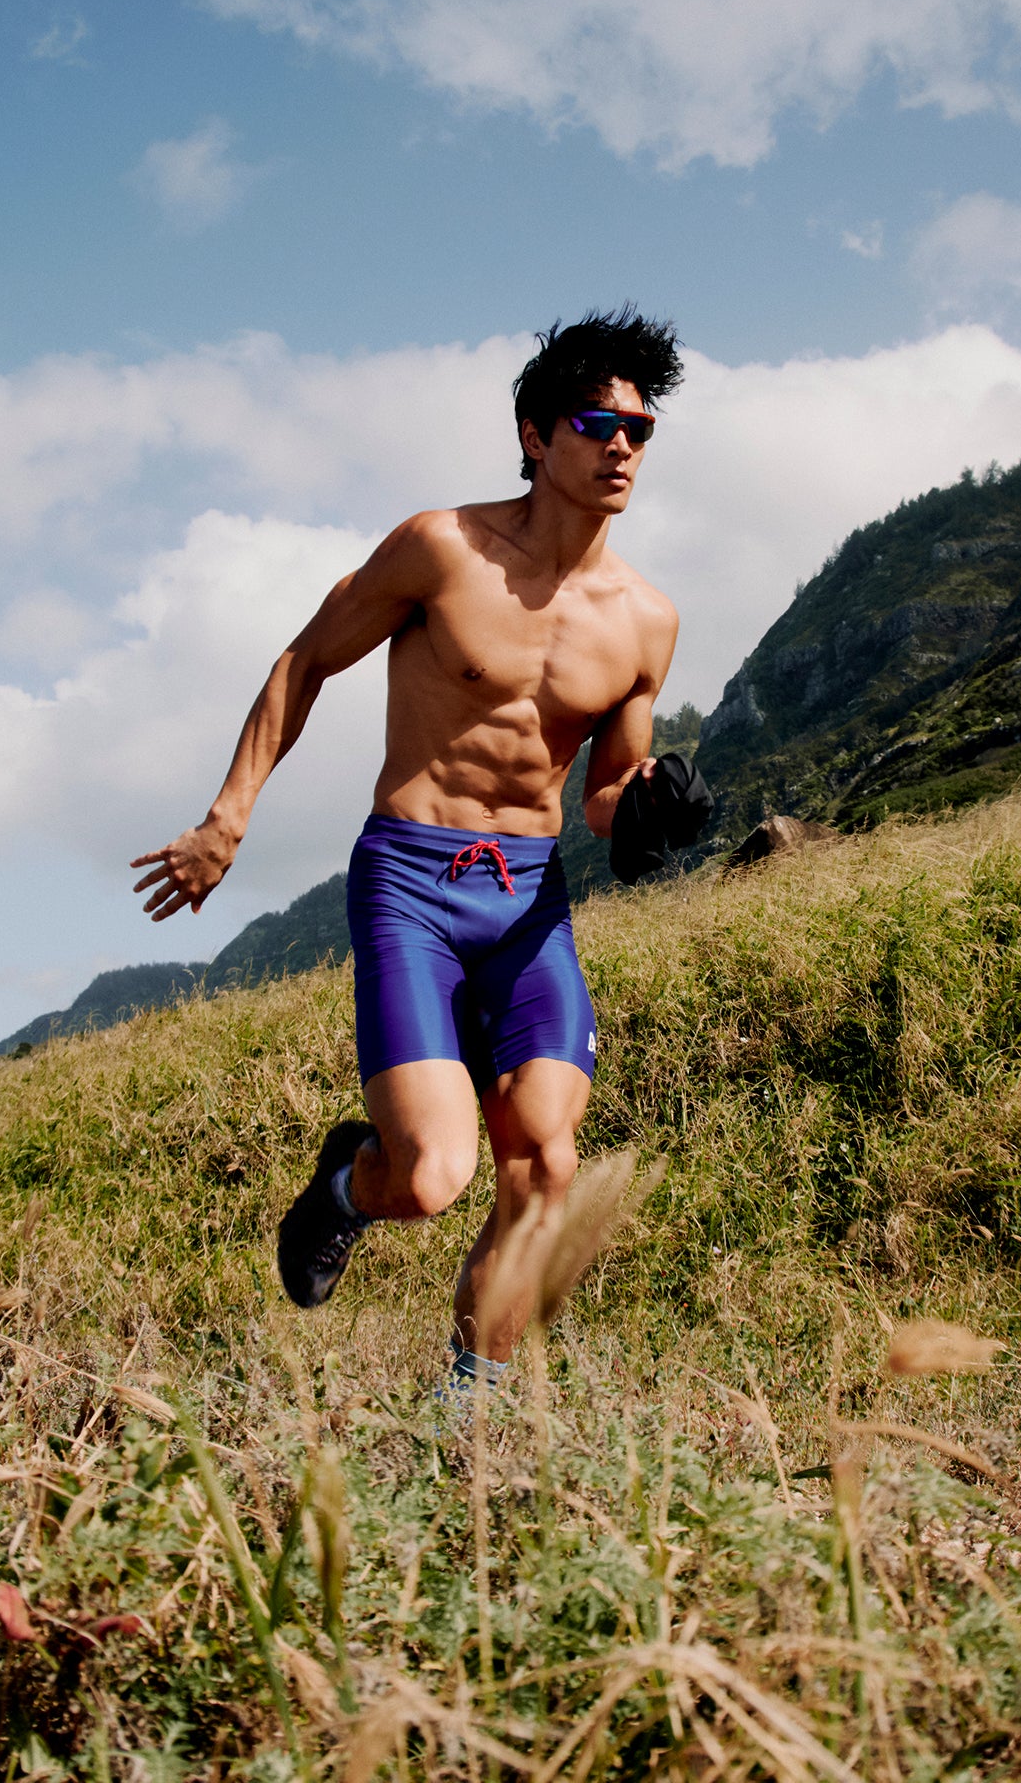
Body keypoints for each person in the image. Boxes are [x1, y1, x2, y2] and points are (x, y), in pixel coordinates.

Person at [129, 307, 694, 1398]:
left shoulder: (646, 619)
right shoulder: (443, 547)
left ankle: (465, 1416)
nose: (622, 445)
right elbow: (306, 658)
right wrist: (227, 818)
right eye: (597, 422)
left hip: (527, 895)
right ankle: (345, 1189)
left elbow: (606, 797)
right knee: (434, 1174)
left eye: (640, 428)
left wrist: (657, 807)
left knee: (545, 1158)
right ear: (536, 434)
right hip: (413, 882)